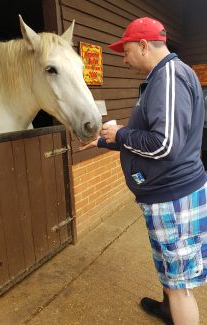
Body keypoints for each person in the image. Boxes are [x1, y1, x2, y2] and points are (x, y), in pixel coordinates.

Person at [80, 17, 207, 325]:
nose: (122, 58)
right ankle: (168, 311)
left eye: (125, 51)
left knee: (179, 286)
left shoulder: (170, 78)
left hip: (174, 199)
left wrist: (120, 134)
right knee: (169, 270)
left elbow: (164, 145)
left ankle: (175, 309)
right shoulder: (159, 78)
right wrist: (102, 141)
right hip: (164, 195)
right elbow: (147, 138)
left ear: (143, 45)